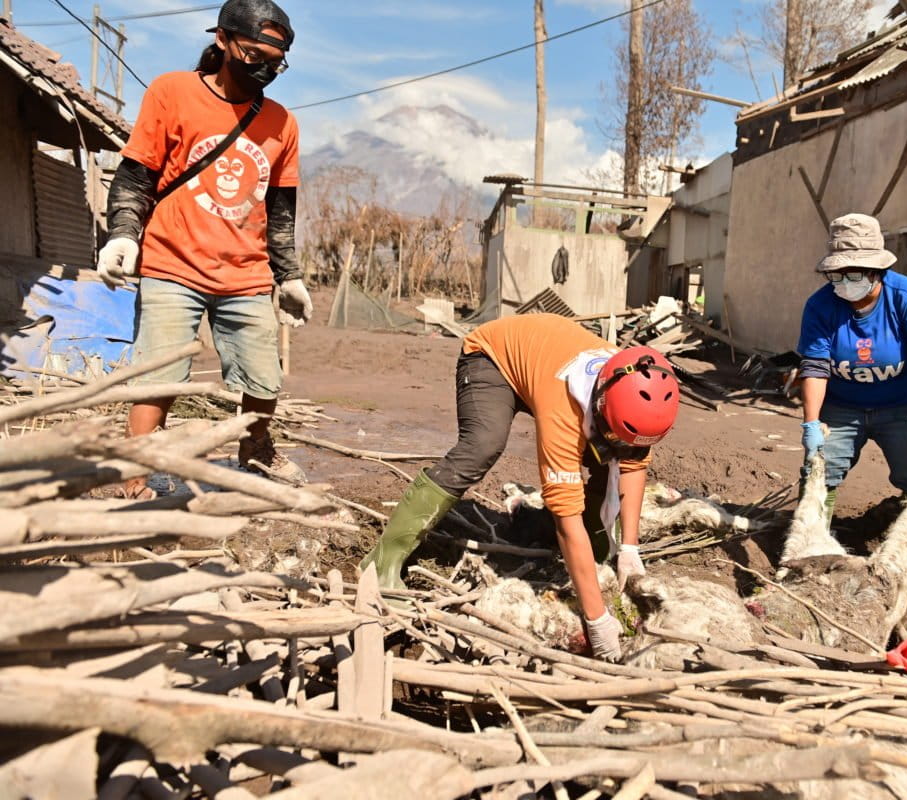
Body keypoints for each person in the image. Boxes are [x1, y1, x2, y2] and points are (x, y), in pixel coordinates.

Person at [360, 314, 681, 661]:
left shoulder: (632, 385)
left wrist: (630, 548)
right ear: (601, 403)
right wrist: (596, 620)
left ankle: (576, 547)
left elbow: (632, 463)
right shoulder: (565, 410)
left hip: (541, 364)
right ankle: (381, 565)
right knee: (482, 446)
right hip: (492, 358)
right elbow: (566, 517)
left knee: (610, 456)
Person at [97, 0, 311, 499]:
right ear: (223, 41)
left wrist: (291, 275)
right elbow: (136, 176)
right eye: (254, 53)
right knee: (160, 376)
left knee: (263, 379)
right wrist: (124, 233)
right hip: (173, 264)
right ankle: (136, 472)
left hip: (247, 275)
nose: (264, 68)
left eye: (275, 62)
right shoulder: (172, 92)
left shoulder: (283, 123)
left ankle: (254, 449)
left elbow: (279, 210)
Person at [796, 213, 907, 522]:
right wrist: (812, 423)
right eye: (837, 275)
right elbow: (815, 367)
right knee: (818, 472)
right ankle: (809, 539)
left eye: (854, 274)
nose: (844, 283)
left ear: (877, 271)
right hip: (843, 404)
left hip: (905, 402)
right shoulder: (820, 305)